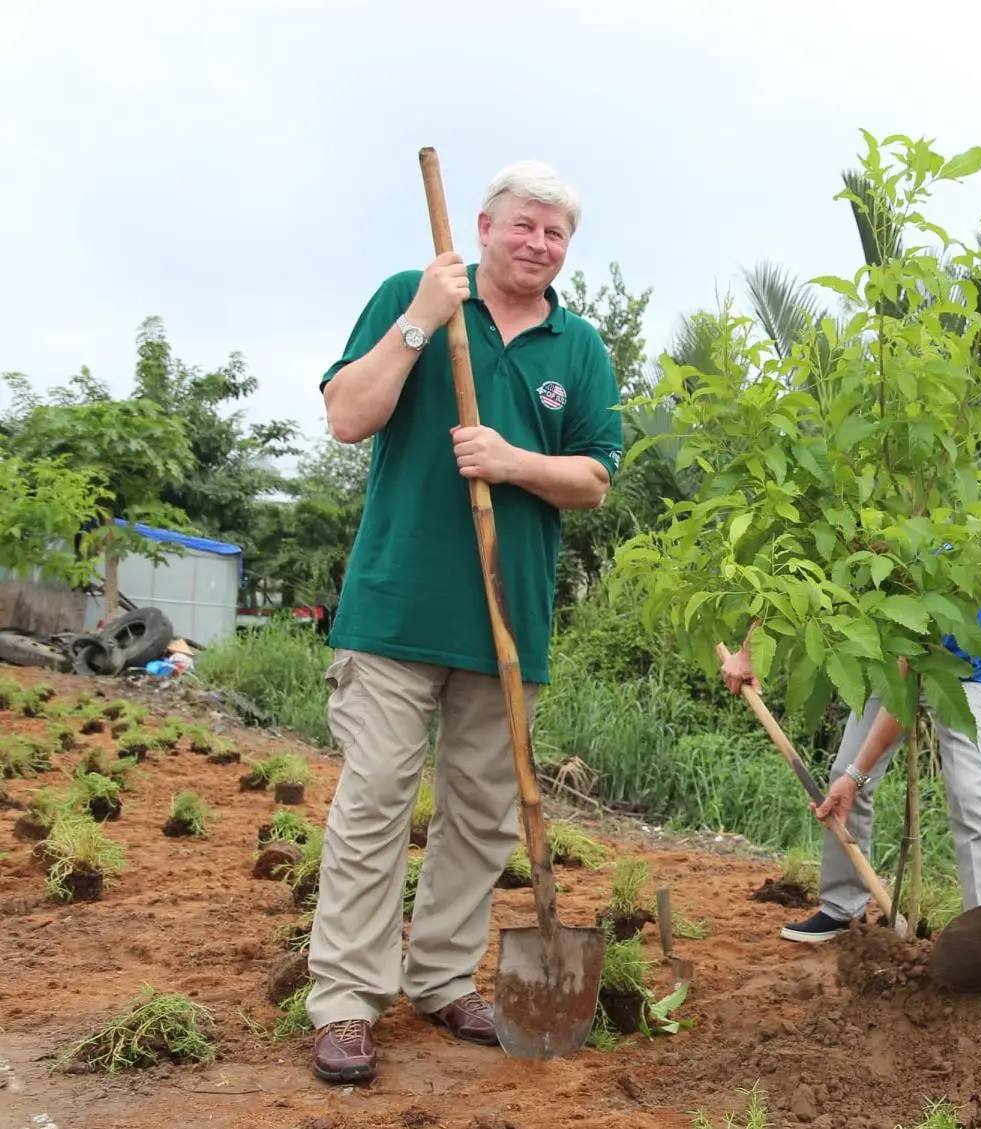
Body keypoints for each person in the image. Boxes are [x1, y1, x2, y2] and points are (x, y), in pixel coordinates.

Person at [306, 160, 623, 1084]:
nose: (538, 244)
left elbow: (595, 480)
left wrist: (513, 459)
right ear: (483, 226)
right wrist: (420, 323)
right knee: (372, 807)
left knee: (482, 816)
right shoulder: (413, 296)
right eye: (523, 225)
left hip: (507, 624)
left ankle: (442, 977)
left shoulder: (579, 347)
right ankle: (346, 1001)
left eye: (555, 234)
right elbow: (345, 417)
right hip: (397, 609)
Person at [719, 605, 981, 942]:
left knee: (969, 795)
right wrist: (748, 651)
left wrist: (857, 776)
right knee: (843, 773)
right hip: (890, 665)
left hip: (964, 672)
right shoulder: (869, 551)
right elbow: (796, 574)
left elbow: (901, 696)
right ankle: (843, 910)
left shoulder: (939, 560)